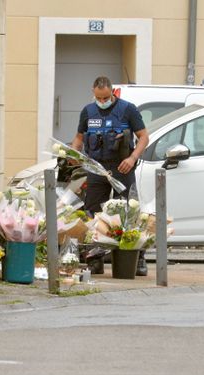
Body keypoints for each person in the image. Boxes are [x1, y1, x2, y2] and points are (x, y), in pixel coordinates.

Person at [71, 76, 150, 276]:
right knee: (94, 214)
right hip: (97, 169)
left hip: (122, 168)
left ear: (112, 92)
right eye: (99, 97)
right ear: (93, 92)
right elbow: (79, 138)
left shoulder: (128, 109)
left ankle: (137, 259)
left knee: (128, 213)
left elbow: (144, 137)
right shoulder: (88, 111)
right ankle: (95, 259)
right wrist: (73, 154)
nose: (102, 101)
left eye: (106, 97)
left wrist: (132, 158)